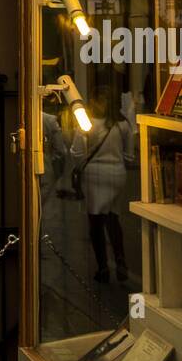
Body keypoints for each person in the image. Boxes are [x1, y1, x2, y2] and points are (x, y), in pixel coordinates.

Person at [70, 92, 134, 284]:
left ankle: (103, 267)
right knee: (113, 218)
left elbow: (77, 152)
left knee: (96, 222)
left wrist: (81, 166)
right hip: (117, 175)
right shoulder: (122, 125)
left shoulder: (86, 124)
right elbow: (130, 156)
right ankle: (121, 260)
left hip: (94, 177)